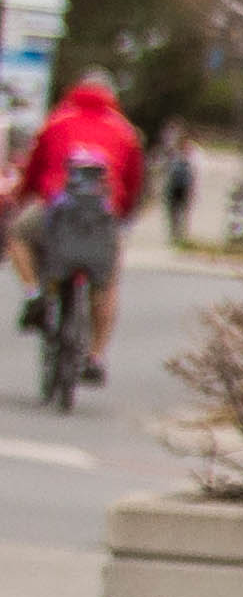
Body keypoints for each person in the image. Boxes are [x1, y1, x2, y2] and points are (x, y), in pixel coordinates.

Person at [14, 74, 146, 382]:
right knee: (106, 281)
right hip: (102, 217)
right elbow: (132, 183)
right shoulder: (125, 132)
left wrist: (25, 198)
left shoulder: (57, 121)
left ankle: (34, 290)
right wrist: (121, 215)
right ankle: (96, 356)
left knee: (19, 235)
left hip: (55, 212)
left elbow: (35, 170)